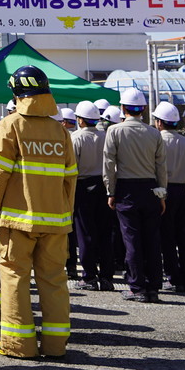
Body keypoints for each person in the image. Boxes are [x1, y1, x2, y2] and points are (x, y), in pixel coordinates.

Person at [0, 66, 77, 360]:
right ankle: (56, 345)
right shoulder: (60, 132)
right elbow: (70, 179)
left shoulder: (10, 126)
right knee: (54, 281)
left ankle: (18, 345)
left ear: (17, 93)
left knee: (14, 278)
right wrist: (65, 216)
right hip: (56, 221)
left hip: (18, 221)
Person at [103, 87, 167, 303]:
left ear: (123, 108)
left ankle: (137, 287)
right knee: (152, 240)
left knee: (131, 240)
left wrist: (111, 191)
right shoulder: (154, 133)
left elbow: (109, 164)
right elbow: (161, 166)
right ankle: (154, 287)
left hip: (126, 189)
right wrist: (162, 194)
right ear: (144, 109)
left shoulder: (114, 131)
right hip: (151, 189)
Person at [70, 100, 115, 291]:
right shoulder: (107, 136)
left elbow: (72, 168)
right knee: (106, 233)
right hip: (105, 186)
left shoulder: (76, 138)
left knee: (85, 233)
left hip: (83, 186)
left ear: (80, 119)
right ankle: (107, 277)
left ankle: (89, 276)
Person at [153, 101, 185, 294]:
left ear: (160, 122)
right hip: (184, 191)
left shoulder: (156, 141)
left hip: (164, 191)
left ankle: (173, 277)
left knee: (166, 236)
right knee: (183, 236)